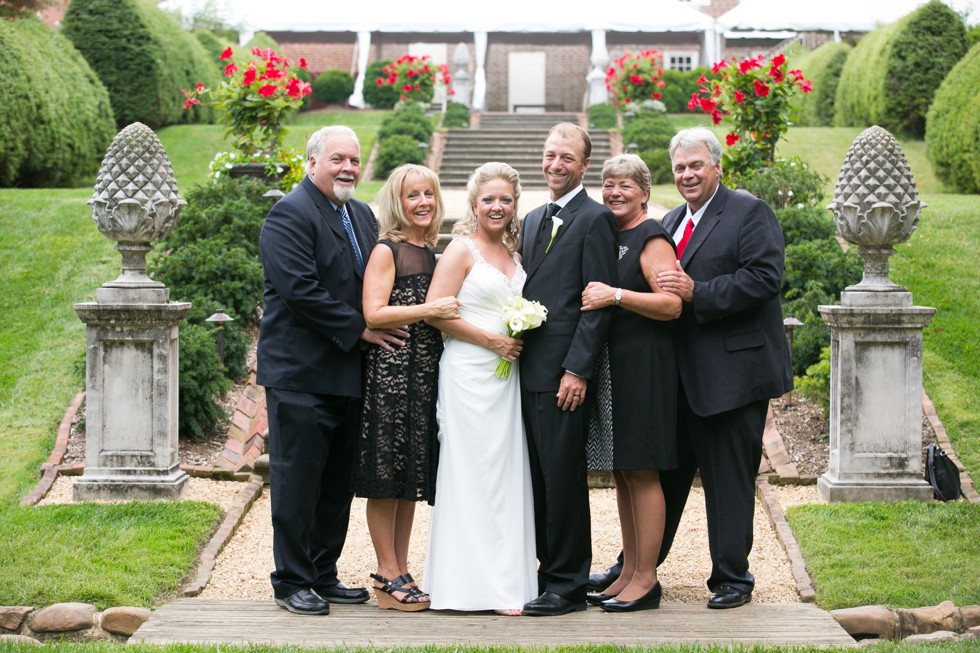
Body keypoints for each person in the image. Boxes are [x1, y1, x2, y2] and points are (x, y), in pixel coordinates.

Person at [257, 125, 408, 616]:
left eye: (354, 160)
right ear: (312, 163)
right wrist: (362, 329)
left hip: (347, 373)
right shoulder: (289, 214)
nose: (347, 168)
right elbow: (300, 291)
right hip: (300, 374)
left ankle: (323, 572)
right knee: (298, 480)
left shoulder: (360, 215)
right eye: (337, 159)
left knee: (336, 482)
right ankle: (291, 581)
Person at [655, 126, 793, 609]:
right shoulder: (671, 220)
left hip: (733, 378)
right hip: (678, 380)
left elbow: (764, 278)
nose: (687, 174)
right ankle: (640, 568)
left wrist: (699, 292)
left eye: (696, 165)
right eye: (680, 168)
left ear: (717, 167)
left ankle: (732, 577)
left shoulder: (749, 212)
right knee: (663, 477)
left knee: (730, 481)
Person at [421, 162, 536, 616]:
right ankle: (464, 586)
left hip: (505, 381)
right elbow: (435, 312)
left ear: (514, 205)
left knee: (504, 475)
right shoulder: (460, 251)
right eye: (488, 199)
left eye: (505, 199)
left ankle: (506, 583)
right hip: (469, 373)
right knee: (470, 474)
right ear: (473, 203)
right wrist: (491, 340)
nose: (497, 206)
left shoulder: (516, 255)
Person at [517, 123, 619, 616]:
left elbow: (596, 303)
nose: (555, 164)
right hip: (522, 372)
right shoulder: (534, 217)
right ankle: (542, 572)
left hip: (562, 376)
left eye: (566, 158)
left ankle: (569, 582)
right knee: (535, 478)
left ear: (583, 166)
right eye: (549, 154)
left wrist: (577, 371)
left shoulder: (595, 219)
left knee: (562, 479)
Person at [353, 164, 461, 612]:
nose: (423, 203)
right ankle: (386, 571)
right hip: (391, 375)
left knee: (409, 476)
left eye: (429, 195)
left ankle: (400, 567)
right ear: (397, 202)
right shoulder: (388, 249)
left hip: (424, 376)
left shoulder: (431, 251)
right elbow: (373, 314)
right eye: (413, 195)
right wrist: (428, 307)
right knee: (385, 476)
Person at [579, 154, 682, 612]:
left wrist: (616, 295)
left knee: (642, 469)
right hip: (613, 369)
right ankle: (626, 570)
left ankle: (647, 577)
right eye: (608, 185)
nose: (614, 192)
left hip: (645, 368)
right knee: (623, 471)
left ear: (644, 192)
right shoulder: (610, 234)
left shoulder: (650, 236)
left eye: (624, 185)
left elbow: (671, 304)